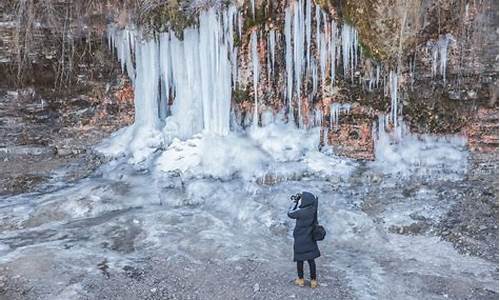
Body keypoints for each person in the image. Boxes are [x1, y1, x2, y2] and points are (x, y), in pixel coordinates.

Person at [287, 191, 320, 288]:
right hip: (310, 238)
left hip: (300, 239)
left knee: (300, 260)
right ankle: (313, 281)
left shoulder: (300, 212)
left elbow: (290, 213)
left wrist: (295, 202)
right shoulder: (313, 210)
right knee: (311, 260)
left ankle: (301, 280)